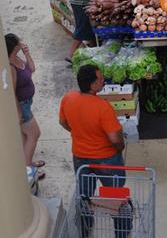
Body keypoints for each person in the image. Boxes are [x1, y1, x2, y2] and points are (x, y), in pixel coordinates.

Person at [59, 65, 132, 238]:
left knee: (84, 195)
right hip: (107, 160)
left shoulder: (68, 98)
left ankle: (85, 229)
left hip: (80, 157)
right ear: (92, 85)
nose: (103, 80)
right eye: (100, 79)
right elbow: (115, 140)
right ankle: (121, 232)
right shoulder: (103, 107)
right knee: (115, 197)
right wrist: (120, 148)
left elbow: (63, 122)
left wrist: (79, 134)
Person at [5, 33, 45, 179]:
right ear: (14, 46)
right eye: (19, 42)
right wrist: (19, 113)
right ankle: (27, 171)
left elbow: (32, 69)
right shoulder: (10, 67)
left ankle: (27, 162)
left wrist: (27, 54)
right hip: (22, 107)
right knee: (34, 134)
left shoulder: (17, 58)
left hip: (27, 103)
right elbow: (12, 93)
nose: (22, 42)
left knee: (25, 137)